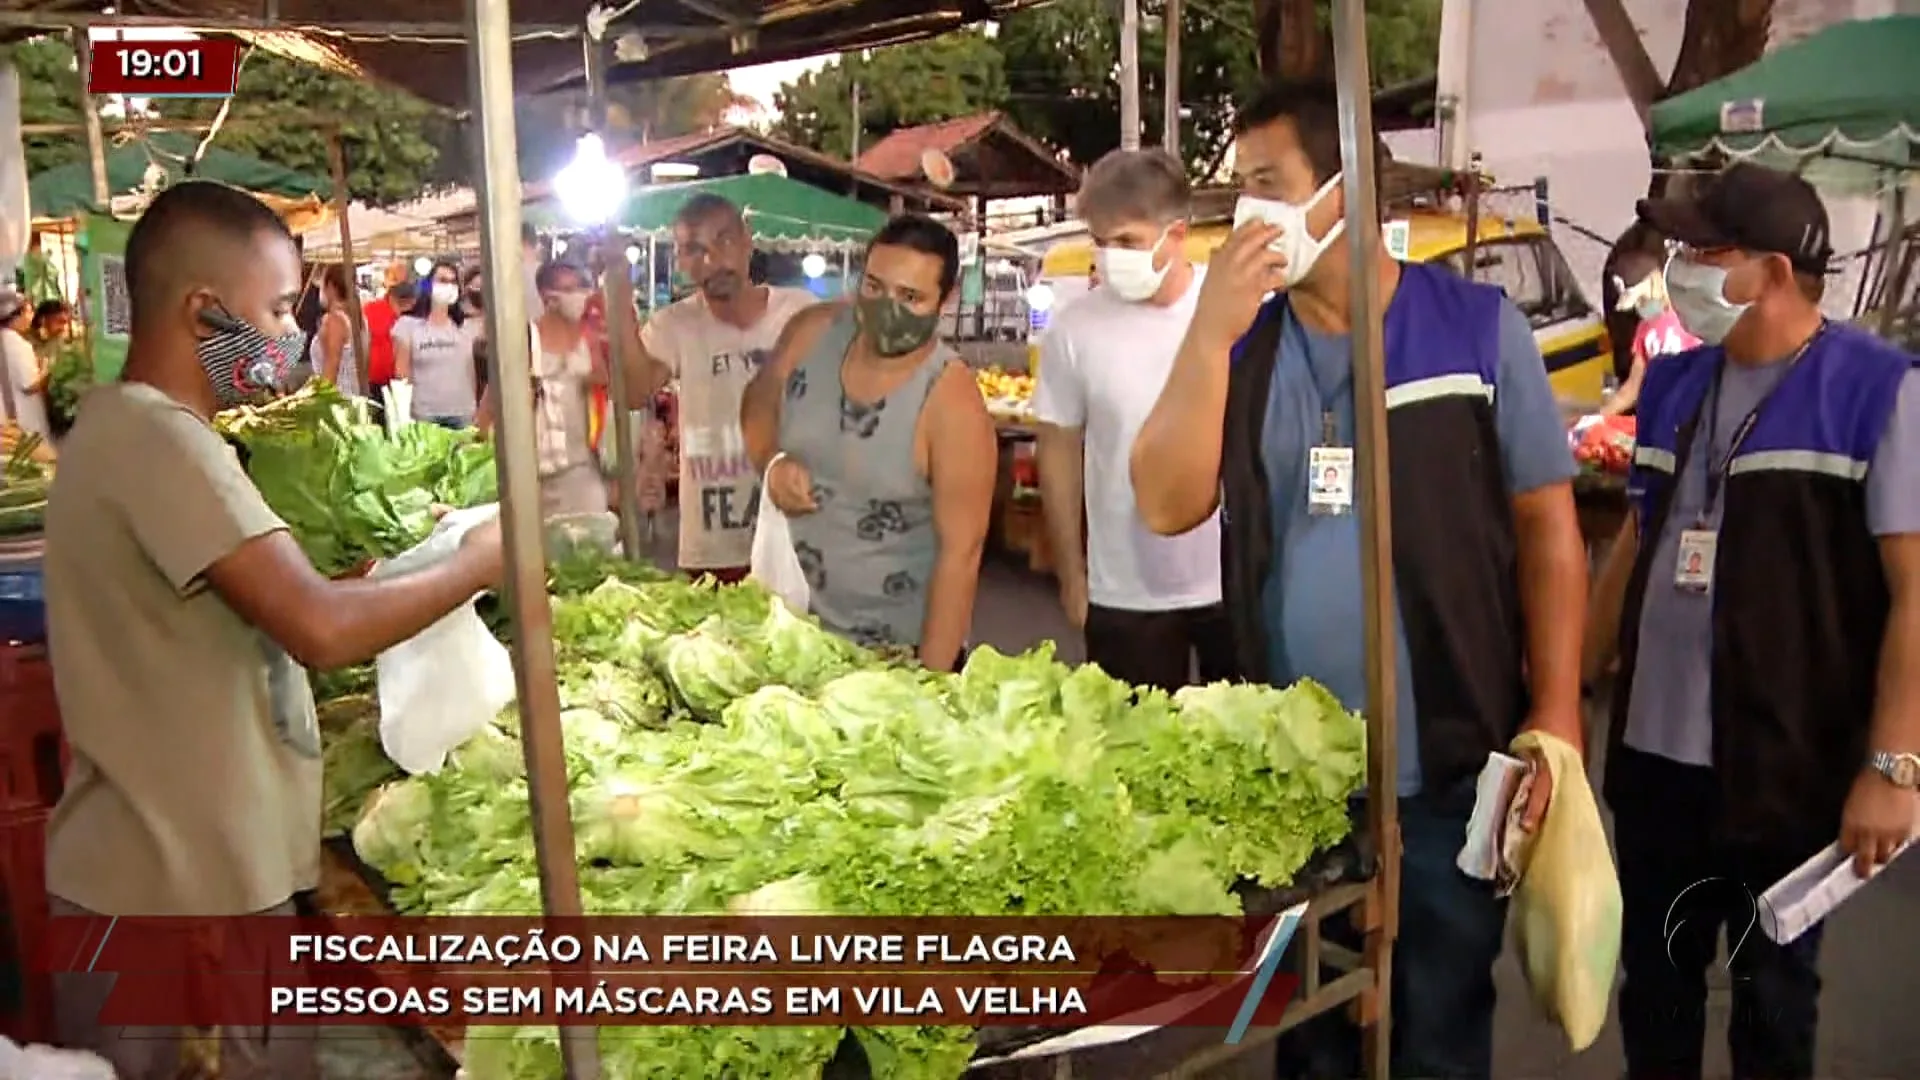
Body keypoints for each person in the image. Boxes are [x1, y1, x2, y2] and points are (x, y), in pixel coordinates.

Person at [1129, 80, 1588, 1079]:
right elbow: (1165, 501)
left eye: (1270, 184)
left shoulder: (1474, 330)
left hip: (1457, 766)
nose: (1250, 213)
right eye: (1239, 189)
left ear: (1353, 190)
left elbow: (1550, 530)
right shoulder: (1244, 352)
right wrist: (1207, 331)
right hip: (1297, 788)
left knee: (1440, 1024)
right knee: (1314, 1037)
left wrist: (1556, 715)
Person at [39, 180, 505, 1079]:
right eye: (280, 308)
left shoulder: (129, 430)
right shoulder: (161, 441)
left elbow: (258, 601)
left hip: (172, 890)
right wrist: (484, 561)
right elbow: (320, 630)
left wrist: (383, 575)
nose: (295, 335)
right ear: (205, 311)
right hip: (178, 911)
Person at [1585, 163, 1919, 1080]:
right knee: (1654, 993)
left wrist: (1895, 769)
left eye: (1703, 251)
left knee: (1772, 1006)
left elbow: (1915, 596)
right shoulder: (1674, 383)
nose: (1678, 269)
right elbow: (1641, 534)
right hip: (1656, 766)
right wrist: (1566, 690)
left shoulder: (1880, 393)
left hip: (1788, 770)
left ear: (1771, 273)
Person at [741, 215, 996, 668]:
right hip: (790, 636)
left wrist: (931, 690)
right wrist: (772, 460)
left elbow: (961, 556)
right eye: (875, 287)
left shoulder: (951, 401)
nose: (886, 308)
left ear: (947, 300)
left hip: (894, 658)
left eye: (910, 297)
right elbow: (758, 400)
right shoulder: (813, 332)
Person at [1032, 149, 1231, 691]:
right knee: (1133, 758)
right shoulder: (1075, 330)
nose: (1108, 256)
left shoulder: (1233, 307)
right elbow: (1057, 451)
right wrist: (1072, 574)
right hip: (1123, 591)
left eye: (1127, 242)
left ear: (1177, 234)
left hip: (1232, 580)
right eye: (1099, 240)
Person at [633, 194, 817, 581]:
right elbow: (635, 390)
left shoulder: (801, 313)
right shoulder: (672, 325)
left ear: (748, 240)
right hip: (711, 546)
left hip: (795, 535)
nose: (713, 260)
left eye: (725, 241)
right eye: (694, 250)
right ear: (680, 261)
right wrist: (615, 292)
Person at [476, 261, 611, 516]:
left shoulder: (589, 340)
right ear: (549, 298)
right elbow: (491, 401)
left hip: (579, 469)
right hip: (528, 475)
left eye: (583, 287)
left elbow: (604, 386)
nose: (580, 295)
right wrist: (477, 447)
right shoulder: (527, 338)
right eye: (571, 289)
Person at [1599, 263, 1700, 417]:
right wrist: (1598, 416)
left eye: (1642, 300)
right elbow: (1632, 388)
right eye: (1637, 303)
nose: (1640, 307)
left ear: (1654, 284)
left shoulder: (1693, 314)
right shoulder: (1644, 330)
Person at [393, 259, 481, 428]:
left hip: (462, 413)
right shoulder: (408, 325)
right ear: (429, 286)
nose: (448, 286)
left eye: (453, 281)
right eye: (442, 280)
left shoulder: (467, 327)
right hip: (425, 415)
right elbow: (402, 373)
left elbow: (472, 372)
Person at [309, 265, 366, 397]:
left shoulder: (335, 320)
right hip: (354, 397)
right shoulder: (360, 319)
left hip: (337, 401)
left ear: (330, 287)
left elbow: (330, 372)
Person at [0, 288, 49, 440]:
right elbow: (30, 385)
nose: (31, 316)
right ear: (16, 315)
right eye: (28, 311)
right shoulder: (18, 344)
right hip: (25, 421)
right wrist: (46, 368)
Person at [364, 262, 413, 409]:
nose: (400, 282)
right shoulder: (370, 310)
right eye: (395, 278)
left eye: (403, 279)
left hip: (408, 385)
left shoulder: (419, 312)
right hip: (376, 385)